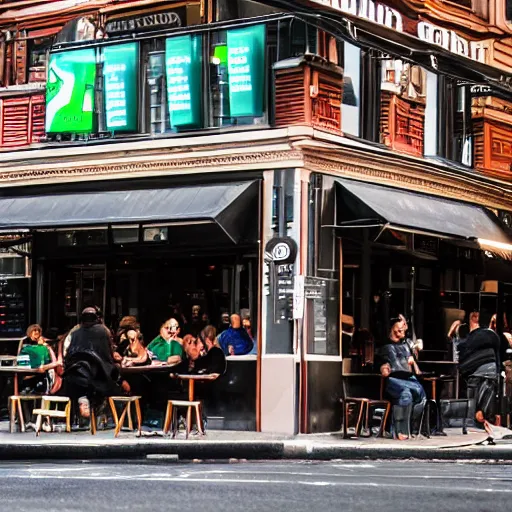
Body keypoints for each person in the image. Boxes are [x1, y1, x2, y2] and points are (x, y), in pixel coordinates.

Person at [61, 307, 124, 419]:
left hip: (75, 376)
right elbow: (108, 356)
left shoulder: (74, 333)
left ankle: (84, 399)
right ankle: (112, 415)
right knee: (117, 381)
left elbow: (67, 354)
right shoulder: (103, 332)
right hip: (98, 376)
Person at [376, 317, 426, 440]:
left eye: (403, 327)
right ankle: (399, 431)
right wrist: (383, 368)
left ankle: (412, 429)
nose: (402, 329)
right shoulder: (385, 345)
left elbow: (417, 350)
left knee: (421, 396)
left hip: (409, 379)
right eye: (400, 327)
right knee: (405, 395)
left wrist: (413, 359)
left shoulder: (407, 344)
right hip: (394, 380)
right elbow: (380, 363)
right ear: (392, 328)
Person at [458, 319, 500, 435]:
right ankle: (483, 422)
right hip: (488, 372)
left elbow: (461, 358)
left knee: (475, 406)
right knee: (482, 406)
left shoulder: (468, 339)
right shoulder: (492, 336)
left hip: (477, 374)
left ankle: (479, 422)